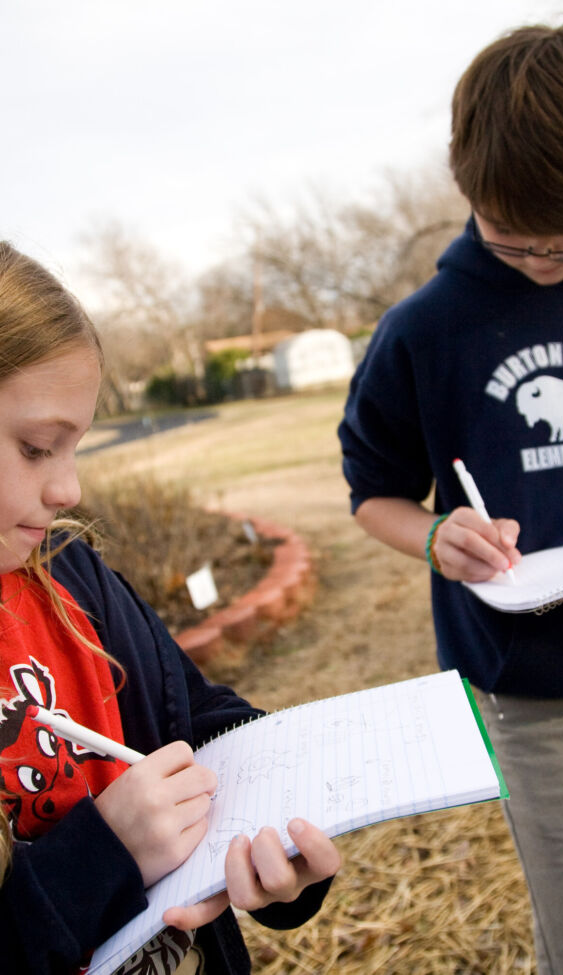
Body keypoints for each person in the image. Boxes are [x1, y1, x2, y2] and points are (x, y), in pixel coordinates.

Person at [338, 22, 563, 975]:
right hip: (540, 693)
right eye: (517, 243)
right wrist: (436, 535)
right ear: (470, 188)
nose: (545, 263)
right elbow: (370, 490)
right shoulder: (425, 331)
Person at [0, 240, 341, 975]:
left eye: (75, 447)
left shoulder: (66, 575)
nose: (70, 490)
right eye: (36, 448)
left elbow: (191, 715)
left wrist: (274, 811)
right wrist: (103, 855)